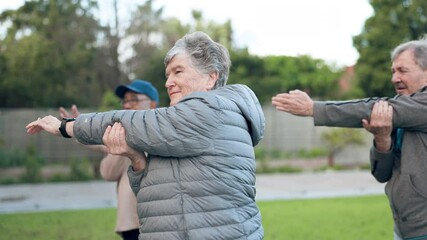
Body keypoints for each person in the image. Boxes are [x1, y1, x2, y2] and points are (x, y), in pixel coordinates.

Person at [26, 31, 265, 240]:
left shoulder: (211, 110)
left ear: (211, 77)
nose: (169, 82)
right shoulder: (182, 127)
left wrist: (66, 127)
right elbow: (159, 196)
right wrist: (137, 161)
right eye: (167, 75)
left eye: (178, 71)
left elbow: (131, 122)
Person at [272, 35, 427, 239]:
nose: (395, 78)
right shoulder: (403, 111)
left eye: (403, 70)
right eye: (393, 71)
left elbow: (370, 107)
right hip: (405, 231)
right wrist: (382, 139)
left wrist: (313, 108)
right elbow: (382, 174)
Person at [59, 79, 159, 240]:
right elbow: (100, 142)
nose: (126, 105)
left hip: (151, 223)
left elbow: (108, 172)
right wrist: (78, 127)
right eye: (125, 100)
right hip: (129, 224)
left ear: (153, 104)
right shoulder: (123, 132)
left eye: (133, 99)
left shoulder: (159, 133)